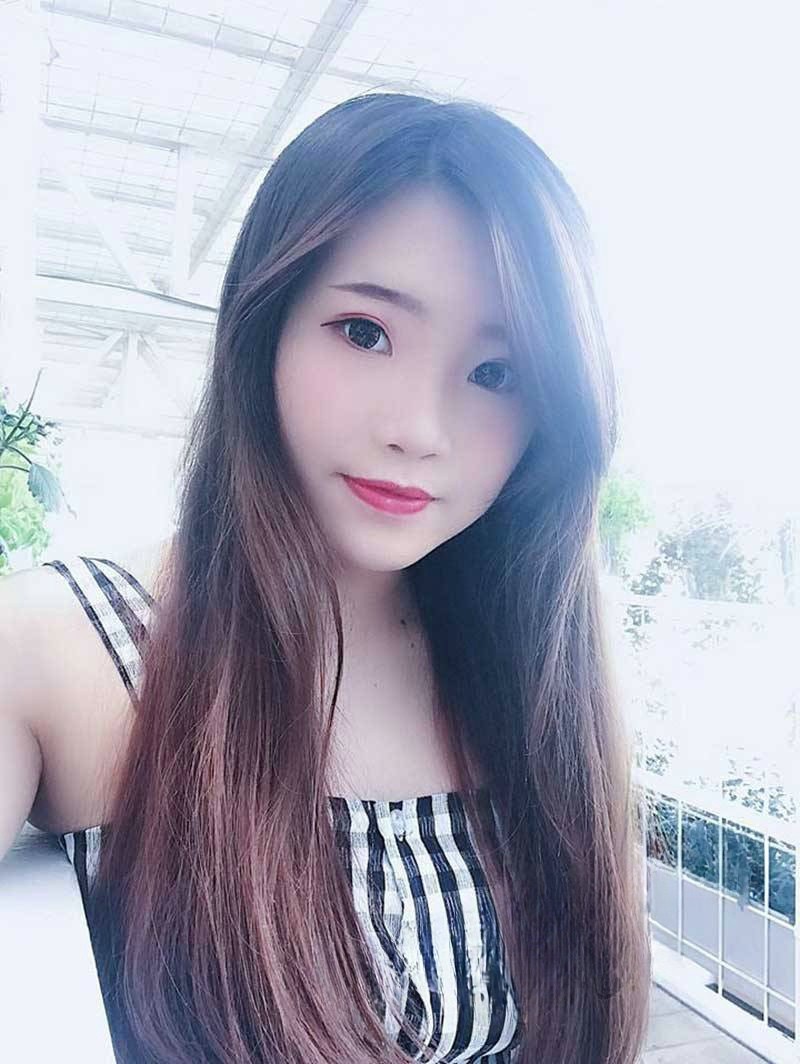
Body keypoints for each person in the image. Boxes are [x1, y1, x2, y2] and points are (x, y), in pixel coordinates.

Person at [0, 92, 651, 1063]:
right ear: (263, 324)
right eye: (363, 331)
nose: (418, 429)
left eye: (496, 374)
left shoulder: (537, 674)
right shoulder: (67, 648)